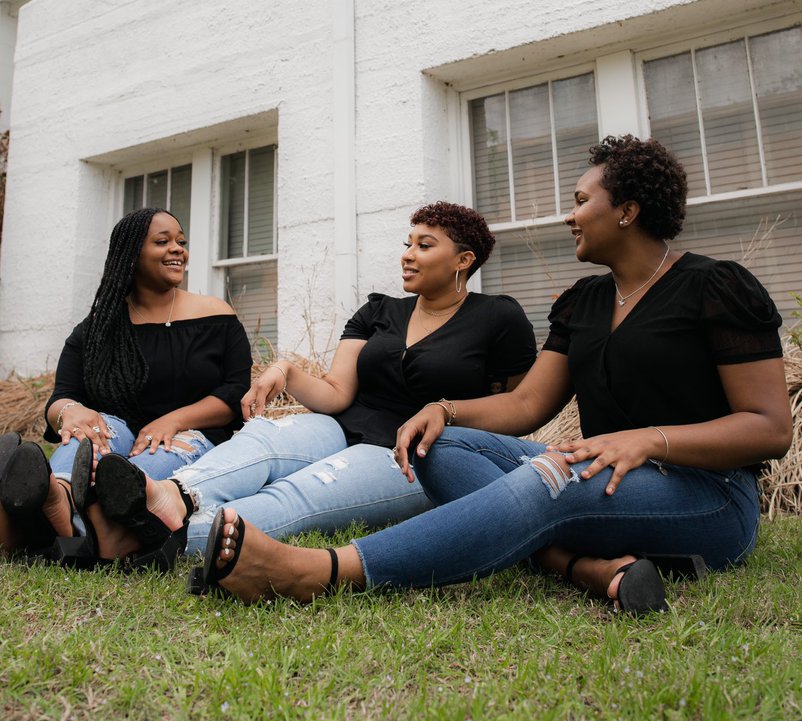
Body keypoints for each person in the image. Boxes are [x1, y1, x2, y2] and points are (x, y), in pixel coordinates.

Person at [176, 136, 792, 612]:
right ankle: (578, 566)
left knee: (552, 477)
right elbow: (526, 406)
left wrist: (648, 440)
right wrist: (446, 411)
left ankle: (319, 572)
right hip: (603, 476)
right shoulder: (585, 302)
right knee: (439, 448)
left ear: (628, 210)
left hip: (707, 497)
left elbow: (769, 429)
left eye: (582, 202)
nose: (569, 217)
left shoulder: (713, 287)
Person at [83, 202, 538, 564]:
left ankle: (152, 535)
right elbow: (338, 392)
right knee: (263, 441)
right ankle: (171, 495)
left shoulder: (498, 317)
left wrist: (451, 417)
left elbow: (517, 407)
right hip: (342, 423)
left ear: (464, 259)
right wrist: (287, 370)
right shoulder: (380, 312)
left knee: (299, 494)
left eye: (425, 245)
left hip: (411, 454)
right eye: (408, 242)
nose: (408, 253)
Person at [0, 207, 252, 564]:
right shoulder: (98, 329)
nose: (177, 249)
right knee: (93, 431)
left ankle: (43, 526)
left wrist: (174, 420)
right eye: (162, 242)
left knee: (129, 473)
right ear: (131, 255)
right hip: (115, 432)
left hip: (189, 435)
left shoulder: (215, 316)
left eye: (181, 241)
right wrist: (73, 412)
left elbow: (235, 392)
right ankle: (58, 495)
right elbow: (61, 399)